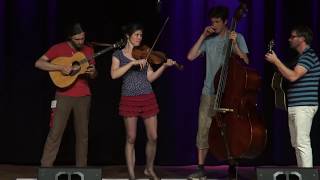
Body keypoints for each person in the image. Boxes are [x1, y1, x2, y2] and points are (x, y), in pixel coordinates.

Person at [186, 6, 249, 178]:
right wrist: (203, 36)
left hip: (230, 94)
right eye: (212, 21)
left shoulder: (238, 37)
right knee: (203, 129)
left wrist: (234, 44)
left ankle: (232, 163)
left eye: (217, 22)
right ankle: (200, 168)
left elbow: (245, 60)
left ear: (226, 22)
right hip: (209, 92)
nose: (214, 25)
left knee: (230, 130)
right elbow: (190, 57)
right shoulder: (209, 40)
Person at [110, 22, 176, 180]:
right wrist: (132, 63)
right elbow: (114, 75)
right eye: (136, 35)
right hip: (129, 98)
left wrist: (164, 67)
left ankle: (149, 169)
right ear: (128, 36)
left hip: (147, 96)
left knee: (153, 136)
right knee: (131, 137)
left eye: (141, 35)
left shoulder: (144, 53)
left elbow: (150, 77)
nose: (140, 38)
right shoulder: (118, 55)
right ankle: (132, 175)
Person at [35, 23, 97, 167]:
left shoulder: (89, 50)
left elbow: (94, 75)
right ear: (70, 38)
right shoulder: (58, 48)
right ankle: (45, 168)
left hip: (84, 96)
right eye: (77, 39)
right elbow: (39, 63)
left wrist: (93, 72)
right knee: (55, 132)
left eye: (83, 38)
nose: (81, 42)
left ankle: (82, 169)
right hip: (63, 95)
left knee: (83, 135)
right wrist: (60, 67)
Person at [265, 25, 320, 167]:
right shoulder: (300, 58)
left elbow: (293, 76)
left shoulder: (308, 56)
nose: (289, 39)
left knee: (302, 143)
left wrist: (276, 61)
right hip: (296, 106)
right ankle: (303, 173)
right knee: (296, 143)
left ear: (302, 39)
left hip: (304, 106)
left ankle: (307, 176)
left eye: (293, 36)